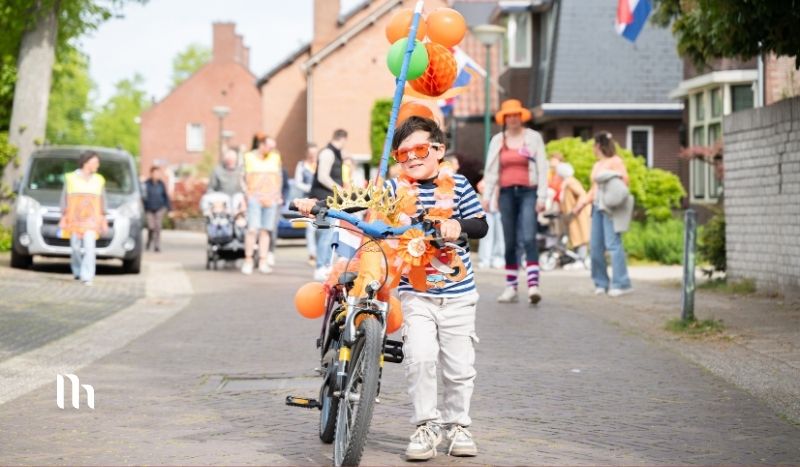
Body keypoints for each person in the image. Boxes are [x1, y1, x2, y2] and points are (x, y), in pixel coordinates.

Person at [294, 116, 488, 461]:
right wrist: (318, 204)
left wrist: (456, 224)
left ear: (438, 150)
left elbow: (481, 224)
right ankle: (425, 426)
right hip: (416, 294)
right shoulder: (396, 190)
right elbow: (359, 203)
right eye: (403, 153)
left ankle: (458, 426)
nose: (412, 157)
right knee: (420, 359)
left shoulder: (457, 185)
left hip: (458, 294)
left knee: (459, 367)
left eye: (421, 149)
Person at [482, 99, 548, 305]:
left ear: (521, 117)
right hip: (506, 194)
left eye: (515, 115)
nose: (512, 119)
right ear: (504, 119)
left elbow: (543, 168)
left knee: (528, 237)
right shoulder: (498, 140)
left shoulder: (533, 138)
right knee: (509, 241)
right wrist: (487, 196)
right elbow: (491, 170)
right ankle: (511, 287)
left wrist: (543, 196)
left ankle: (533, 286)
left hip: (529, 192)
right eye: (508, 116)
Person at [573, 132, 633, 296]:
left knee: (613, 245)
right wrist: (581, 203)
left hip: (610, 209)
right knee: (596, 246)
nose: (593, 148)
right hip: (596, 208)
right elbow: (594, 189)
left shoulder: (616, 162)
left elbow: (624, 182)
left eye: (594, 145)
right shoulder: (597, 165)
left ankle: (621, 283)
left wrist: (612, 177)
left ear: (598, 145)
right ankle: (601, 282)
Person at [59, 150, 108, 286]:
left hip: (92, 221)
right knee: (75, 248)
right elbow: (64, 197)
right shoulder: (70, 178)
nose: (98, 165)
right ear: (87, 162)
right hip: (74, 220)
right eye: (96, 162)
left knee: (89, 247)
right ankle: (77, 270)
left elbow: (103, 199)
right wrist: (63, 215)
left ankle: (87, 276)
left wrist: (103, 217)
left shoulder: (99, 179)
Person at [309, 129, 348, 281]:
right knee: (325, 233)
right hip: (323, 199)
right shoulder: (328, 153)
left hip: (328, 199)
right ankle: (321, 266)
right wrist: (339, 190)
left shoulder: (333, 153)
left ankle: (324, 264)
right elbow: (322, 177)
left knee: (327, 233)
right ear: (343, 139)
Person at [241, 133, 282, 275]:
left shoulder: (275, 157)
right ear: (262, 144)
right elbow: (241, 177)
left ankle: (263, 261)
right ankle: (248, 260)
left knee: (266, 231)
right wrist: (245, 195)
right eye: (269, 147)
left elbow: (279, 177)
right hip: (254, 198)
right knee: (252, 230)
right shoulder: (248, 157)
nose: (271, 150)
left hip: (271, 199)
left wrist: (277, 195)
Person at [555, 162, 590, 266]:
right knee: (575, 237)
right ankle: (578, 258)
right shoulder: (566, 182)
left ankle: (581, 260)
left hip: (577, 214)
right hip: (571, 215)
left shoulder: (571, 182)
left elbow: (582, 195)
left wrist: (576, 208)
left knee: (580, 236)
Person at [294, 143, 318, 266]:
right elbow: (297, 182)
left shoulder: (319, 165)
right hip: (307, 199)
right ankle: (312, 253)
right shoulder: (302, 165)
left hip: (319, 199)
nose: (313, 155)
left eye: (315, 153)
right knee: (310, 227)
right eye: (311, 153)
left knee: (322, 227)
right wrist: (308, 187)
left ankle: (320, 253)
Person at [476, 178, 505, 269]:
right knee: (487, 235)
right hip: (488, 208)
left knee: (500, 235)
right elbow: (480, 185)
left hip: (501, 208)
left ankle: (498, 259)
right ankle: (485, 260)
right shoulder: (490, 175)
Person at [143, 166, 171, 252]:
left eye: (158, 173)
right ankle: (149, 241)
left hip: (159, 208)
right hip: (149, 208)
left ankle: (157, 245)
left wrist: (169, 208)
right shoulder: (146, 184)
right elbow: (143, 197)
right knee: (151, 227)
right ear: (151, 174)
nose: (156, 175)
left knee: (158, 226)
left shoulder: (161, 184)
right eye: (155, 173)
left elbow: (166, 196)